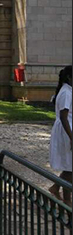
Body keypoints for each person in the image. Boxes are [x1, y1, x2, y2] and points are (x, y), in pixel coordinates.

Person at [49, 65, 72, 205]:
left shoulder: (68, 91)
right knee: (70, 166)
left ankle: (56, 187)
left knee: (69, 166)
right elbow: (64, 116)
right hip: (66, 130)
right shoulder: (66, 93)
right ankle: (67, 199)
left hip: (68, 129)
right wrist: (71, 137)